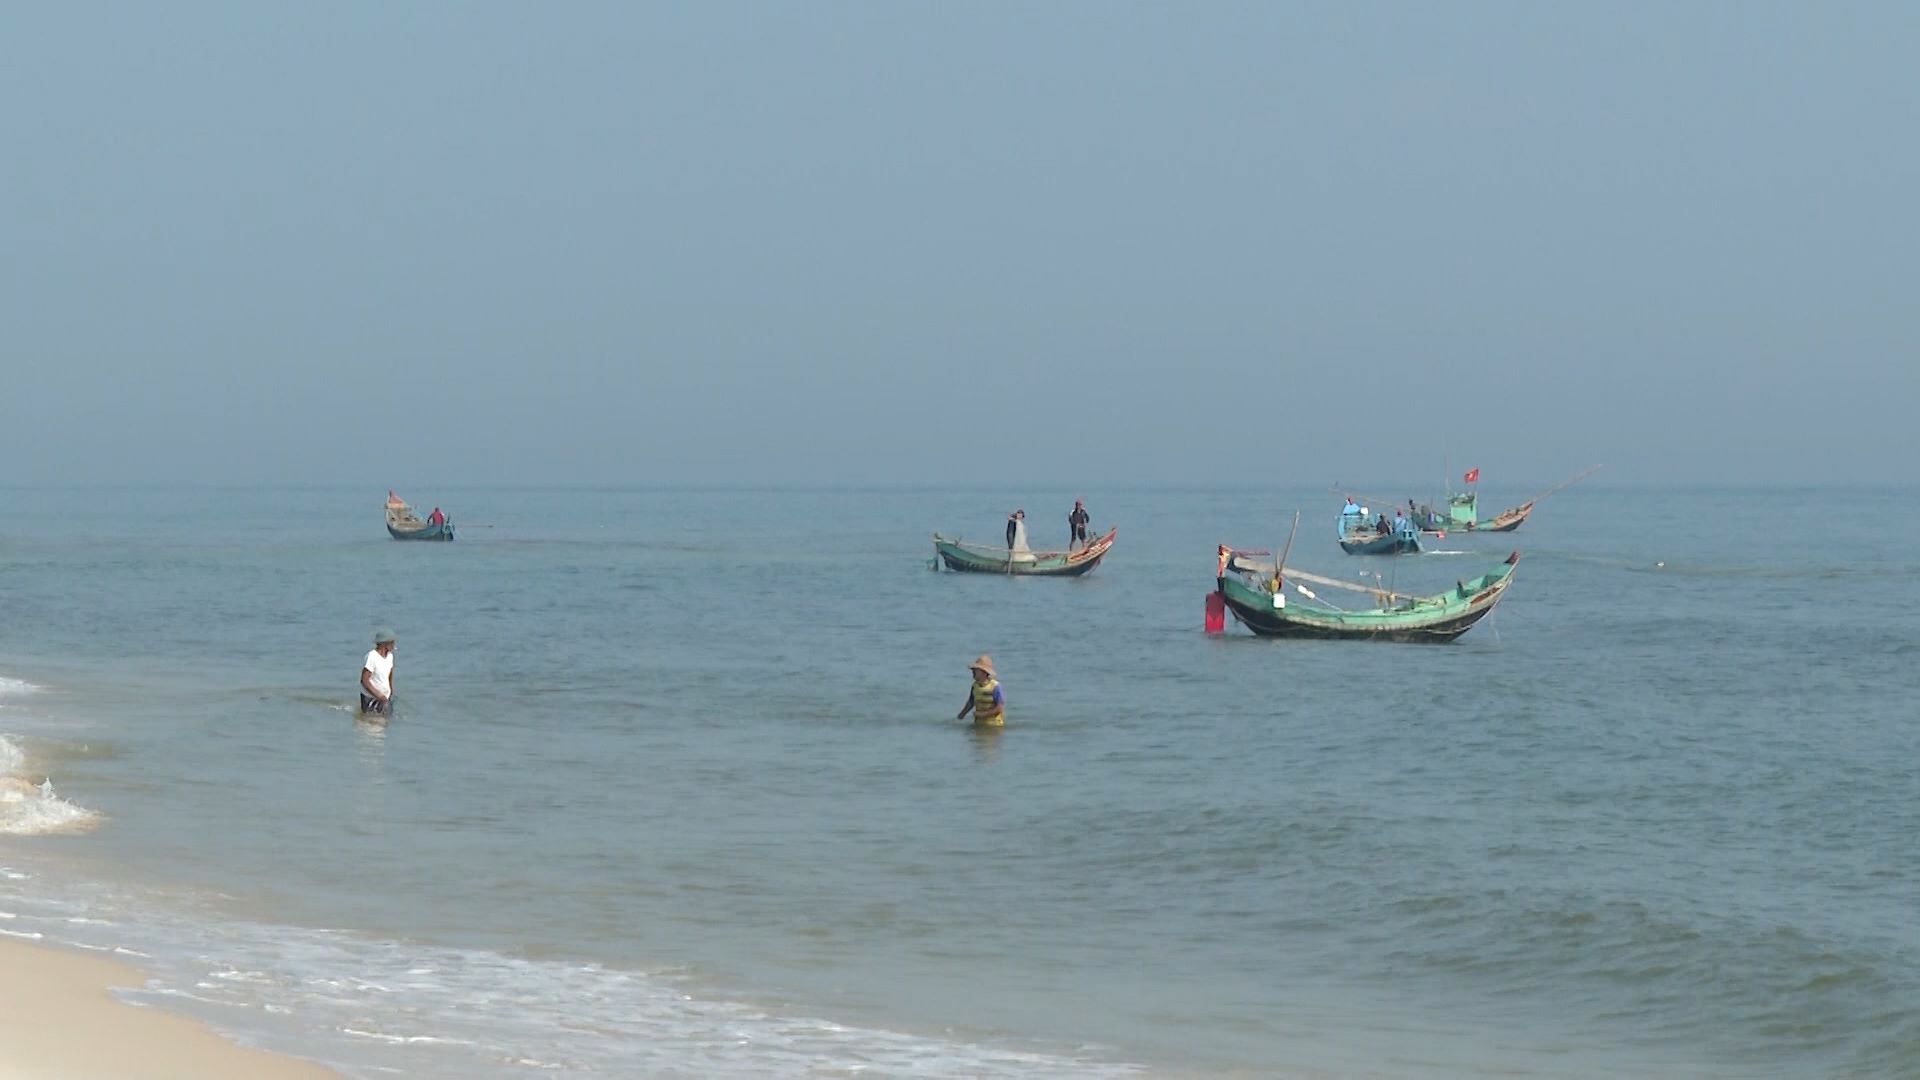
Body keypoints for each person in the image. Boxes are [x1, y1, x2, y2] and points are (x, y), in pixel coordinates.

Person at [957, 655, 1005, 726]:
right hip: (979, 725)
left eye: (976, 669)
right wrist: (962, 714)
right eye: (973, 669)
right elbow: (971, 702)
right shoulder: (974, 686)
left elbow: (1000, 708)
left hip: (994, 726)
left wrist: (983, 714)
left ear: (984, 672)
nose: (972, 671)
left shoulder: (995, 686)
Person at [360, 629, 396, 715]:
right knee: (373, 725)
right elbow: (364, 681)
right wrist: (379, 696)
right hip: (371, 698)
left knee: (385, 723)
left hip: (385, 698)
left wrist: (390, 690)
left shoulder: (390, 656)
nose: (393, 645)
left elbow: (389, 673)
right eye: (392, 642)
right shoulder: (372, 657)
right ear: (384, 644)